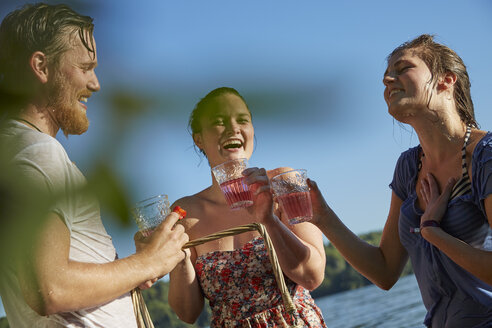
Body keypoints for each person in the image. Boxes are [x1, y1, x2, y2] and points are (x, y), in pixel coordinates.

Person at [0, 3, 189, 327]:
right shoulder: (38, 154)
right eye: (86, 67)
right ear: (41, 67)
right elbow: (50, 288)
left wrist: (131, 269)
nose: (96, 83)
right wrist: (149, 261)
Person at [307, 34, 492, 327]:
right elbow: (385, 271)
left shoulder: (484, 157)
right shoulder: (408, 168)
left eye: (402, 68)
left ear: (446, 80)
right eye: (385, 76)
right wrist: (323, 218)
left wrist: (433, 232)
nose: (387, 81)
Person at [167, 87, 327, 327]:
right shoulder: (185, 212)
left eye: (242, 120)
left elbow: (312, 276)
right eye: (219, 122)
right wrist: (178, 259)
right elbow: (187, 313)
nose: (233, 128)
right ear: (198, 138)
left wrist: (269, 221)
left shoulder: (285, 182)